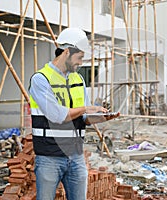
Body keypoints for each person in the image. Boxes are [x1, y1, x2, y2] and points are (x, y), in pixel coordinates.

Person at [28, 27, 120, 200]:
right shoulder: (41, 79)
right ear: (67, 52)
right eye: (79, 58)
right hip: (49, 157)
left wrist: (102, 117)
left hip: (75, 156)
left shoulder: (78, 79)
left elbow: (82, 118)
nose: (81, 62)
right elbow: (58, 116)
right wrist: (87, 108)